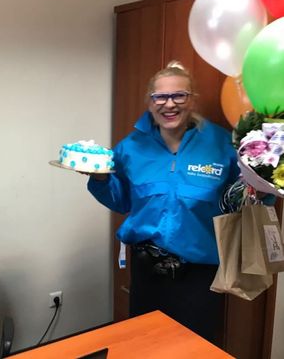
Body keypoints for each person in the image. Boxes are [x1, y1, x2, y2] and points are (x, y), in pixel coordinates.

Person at [87, 61, 239, 344]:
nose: (169, 104)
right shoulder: (130, 147)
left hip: (200, 275)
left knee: (194, 348)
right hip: (147, 272)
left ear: (192, 99)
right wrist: (99, 178)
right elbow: (122, 201)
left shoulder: (222, 144)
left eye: (179, 95)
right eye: (160, 97)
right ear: (150, 102)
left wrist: (264, 187)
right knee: (145, 345)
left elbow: (243, 198)